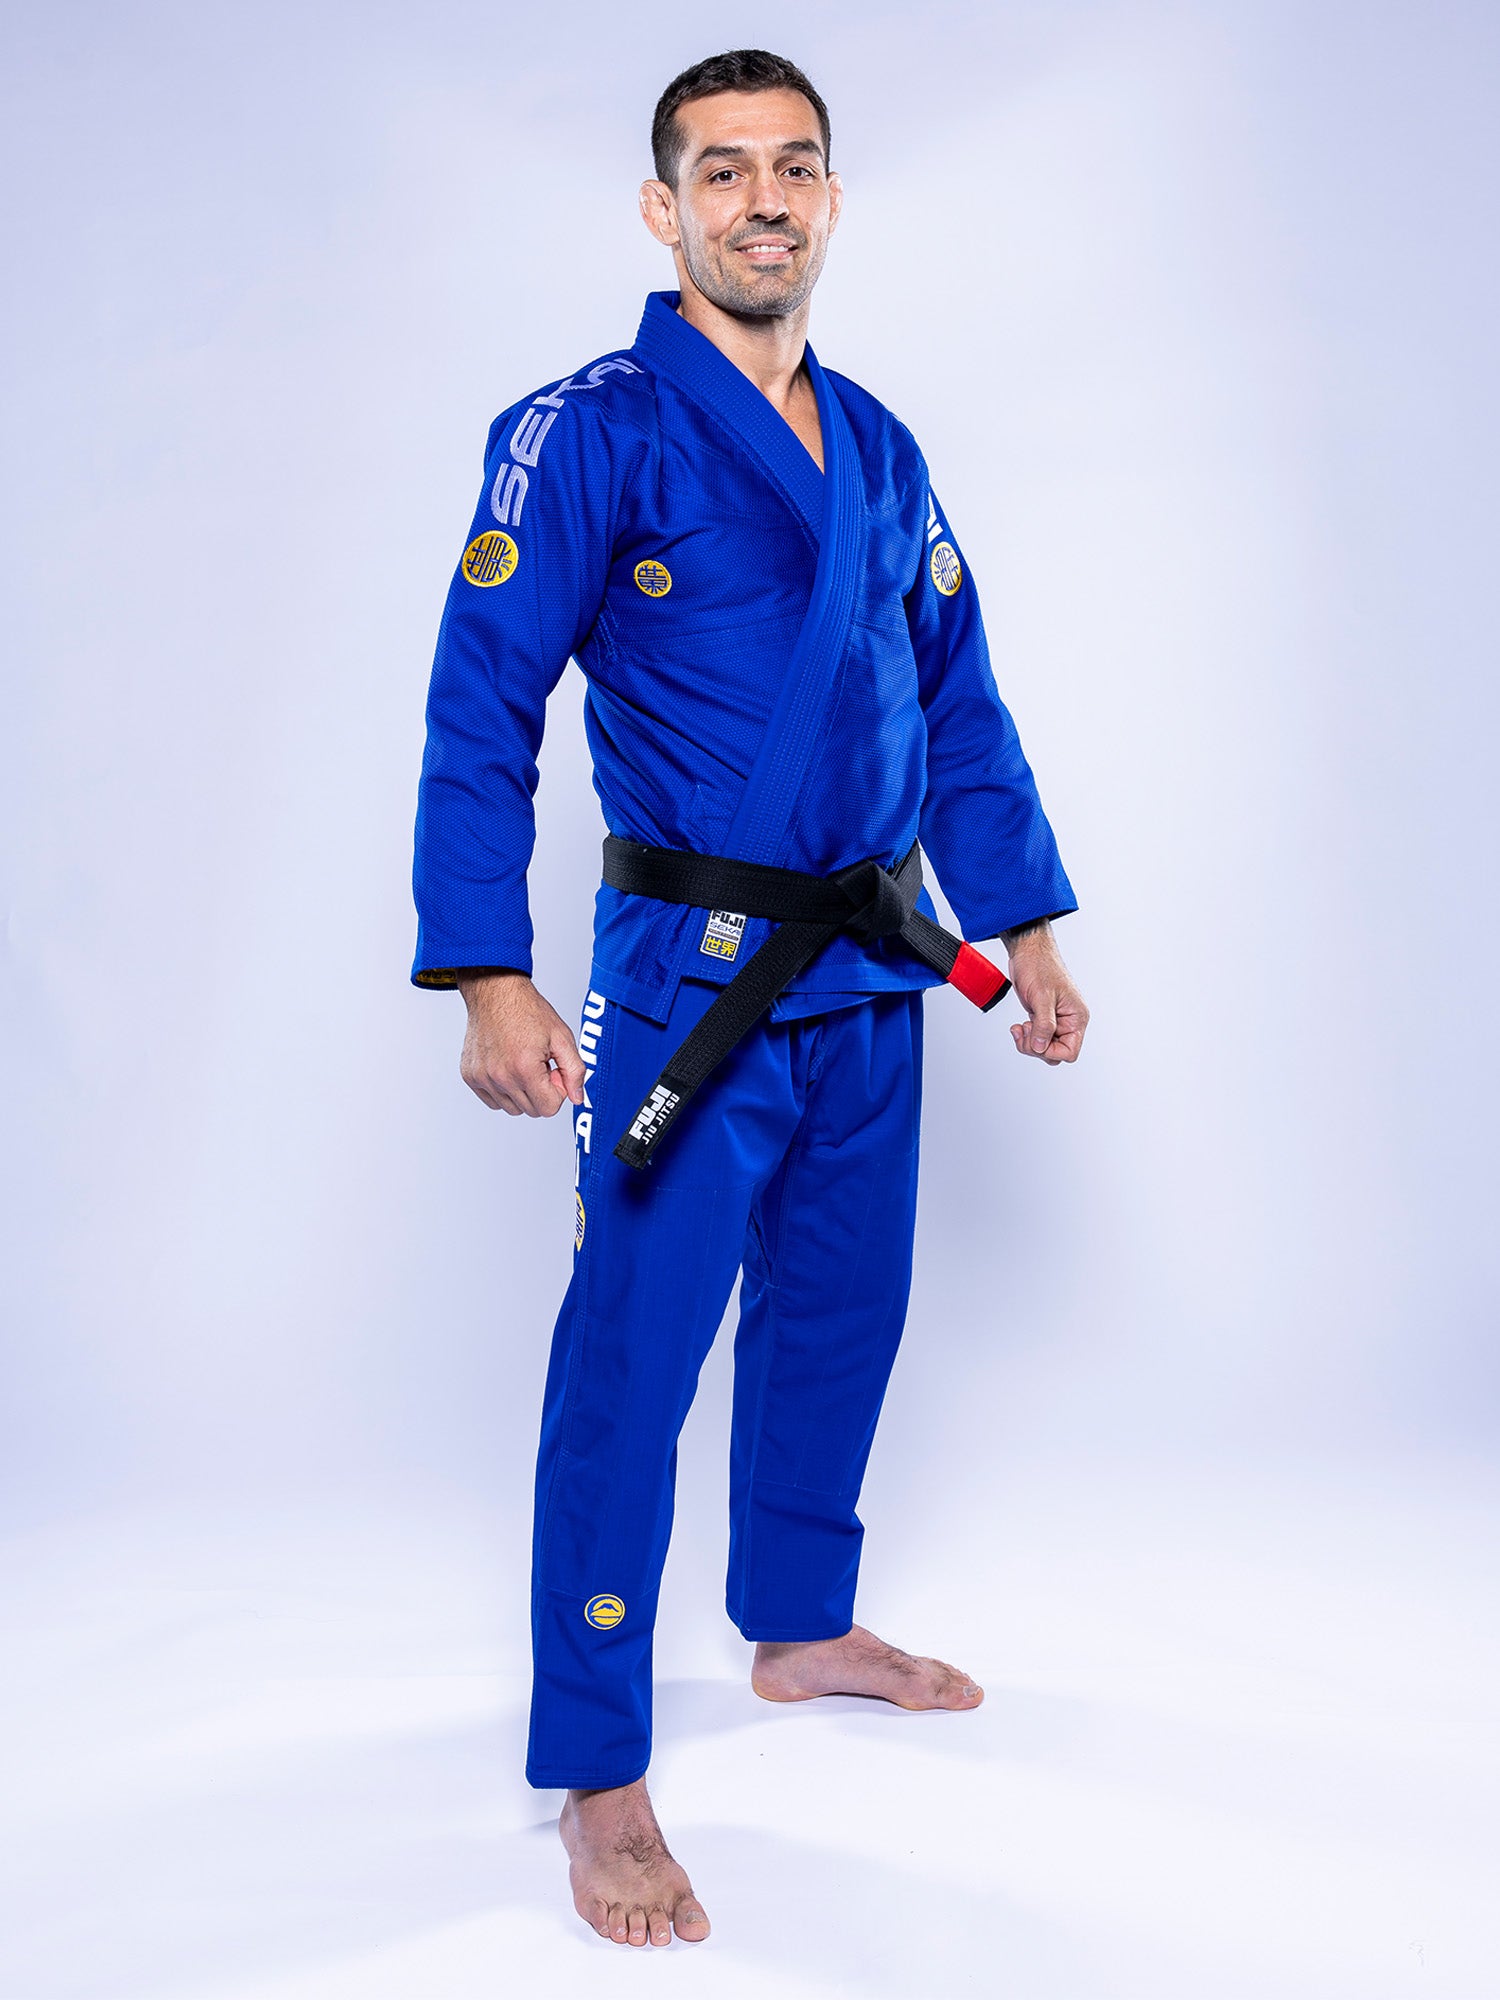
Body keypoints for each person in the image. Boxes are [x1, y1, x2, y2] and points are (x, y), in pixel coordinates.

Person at [410, 48, 1089, 1948]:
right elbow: (483, 708)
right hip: (689, 983)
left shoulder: (877, 442)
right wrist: (484, 968)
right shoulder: (587, 429)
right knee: (630, 1363)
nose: (763, 201)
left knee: (843, 1315)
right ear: (664, 208)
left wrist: (1023, 920)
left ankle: (794, 1622)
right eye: (724, 172)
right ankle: (599, 1769)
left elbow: (958, 694)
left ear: (832, 199)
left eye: (795, 168)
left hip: (878, 964)